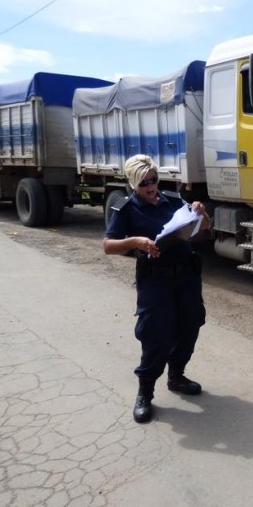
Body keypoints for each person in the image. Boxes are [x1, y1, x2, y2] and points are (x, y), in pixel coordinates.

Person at [103, 154, 211, 423]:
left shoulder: (174, 201)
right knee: (156, 336)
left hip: (186, 277)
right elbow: (108, 246)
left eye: (153, 180)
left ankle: (176, 377)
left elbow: (202, 231)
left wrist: (201, 214)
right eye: (144, 184)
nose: (151, 187)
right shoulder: (126, 209)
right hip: (155, 281)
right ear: (133, 184)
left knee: (190, 327)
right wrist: (136, 242)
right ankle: (145, 392)